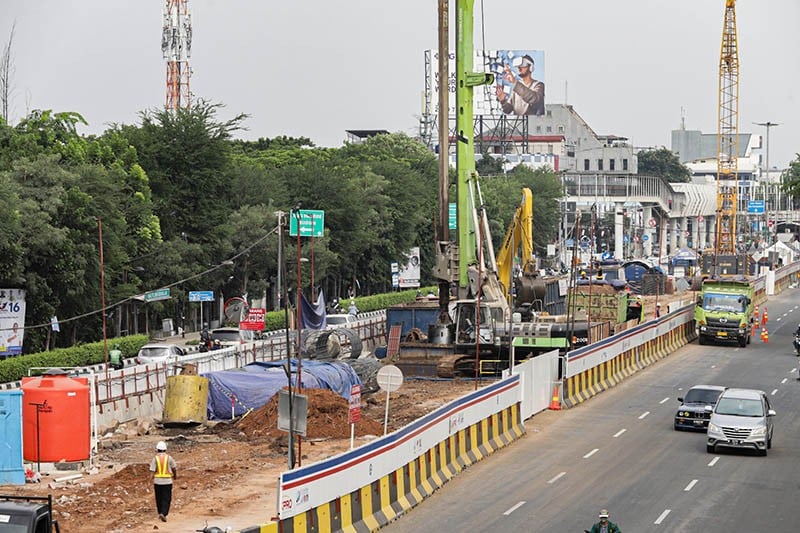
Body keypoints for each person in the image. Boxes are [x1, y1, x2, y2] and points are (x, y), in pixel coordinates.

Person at [150, 440, 177, 522]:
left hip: (157, 481)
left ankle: (160, 512)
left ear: (157, 449)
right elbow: (174, 468)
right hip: (167, 481)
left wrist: (149, 480)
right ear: (165, 449)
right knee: (166, 498)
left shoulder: (155, 458)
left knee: (159, 498)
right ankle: (164, 513)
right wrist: (175, 476)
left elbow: (152, 471)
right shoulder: (169, 458)